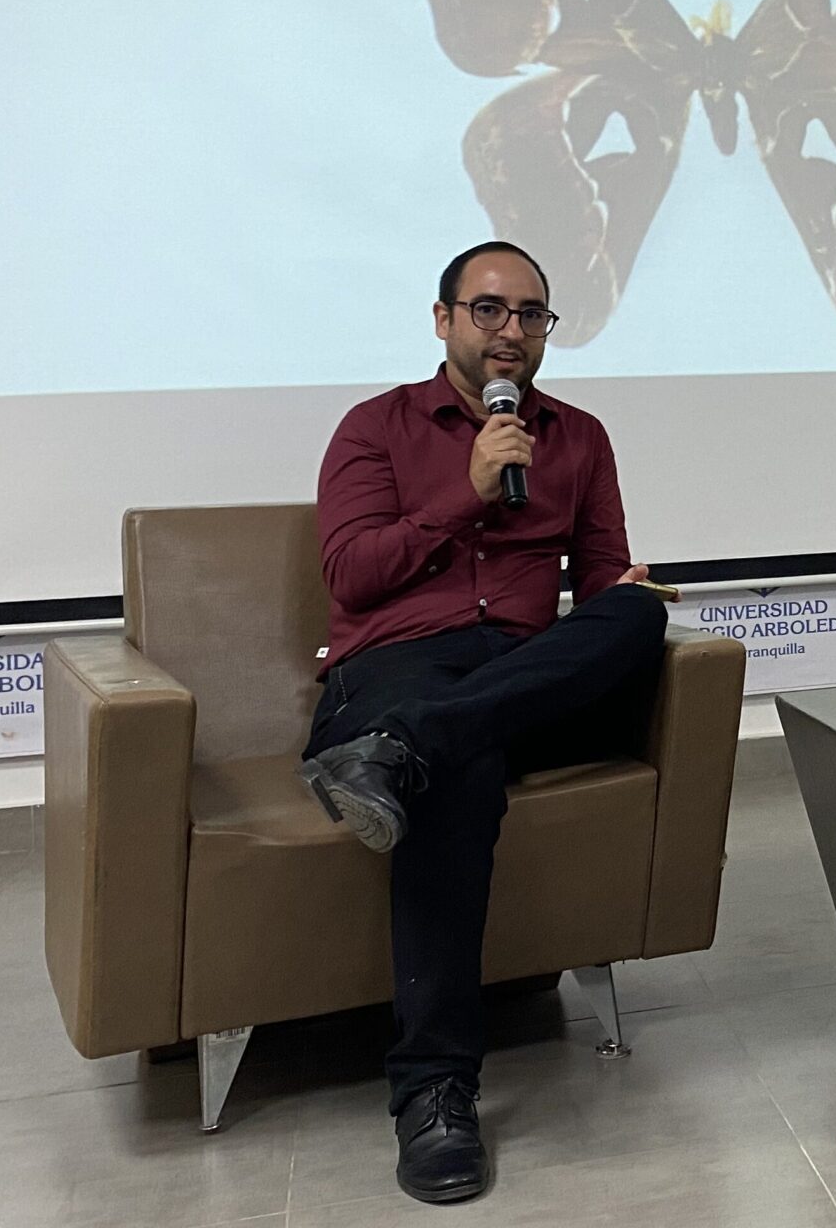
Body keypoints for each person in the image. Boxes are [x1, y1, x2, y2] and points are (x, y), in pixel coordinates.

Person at [301, 241, 670, 1204]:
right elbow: (351, 577)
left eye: (532, 314)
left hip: (517, 671)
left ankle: (405, 749)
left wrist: (619, 592)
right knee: (460, 770)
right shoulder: (374, 429)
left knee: (636, 617)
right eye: (490, 310)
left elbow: (600, 580)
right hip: (397, 667)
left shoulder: (579, 438)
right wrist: (463, 493)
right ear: (444, 320)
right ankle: (434, 1092)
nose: (512, 331)